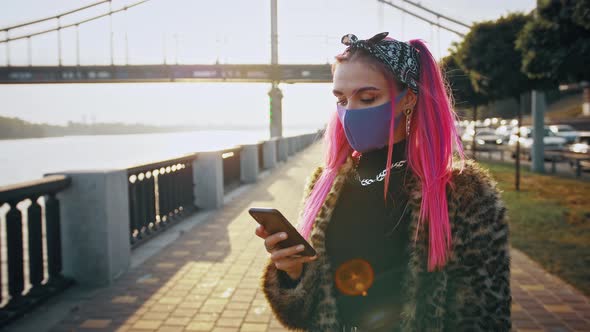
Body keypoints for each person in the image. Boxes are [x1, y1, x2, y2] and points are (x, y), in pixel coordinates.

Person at [255, 32, 511, 331]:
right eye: (341, 98)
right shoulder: (325, 184)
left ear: (409, 98)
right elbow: (303, 315)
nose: (349, 111)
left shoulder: (464, 193)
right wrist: (292, 273)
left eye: (367, 98)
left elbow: (485, 315)